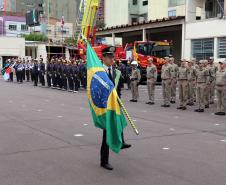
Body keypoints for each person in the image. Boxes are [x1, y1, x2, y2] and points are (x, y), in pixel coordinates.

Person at [100, 46, 131, 170]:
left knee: (119, 122)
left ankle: (121, 142)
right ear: (103, 58)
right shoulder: (99, 71)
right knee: (107, 133)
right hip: (105, 106)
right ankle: (104, 161)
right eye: (109, 57)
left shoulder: (114, 70)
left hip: (115, 104)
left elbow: (117, 87)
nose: (112, 59)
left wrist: (118, 100)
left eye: (113, 57)